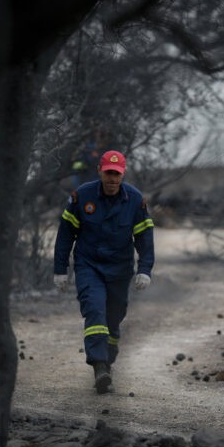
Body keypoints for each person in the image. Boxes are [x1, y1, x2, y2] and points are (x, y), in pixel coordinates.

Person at [53, 150, 155, 394]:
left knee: (114, 317)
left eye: (117, 174)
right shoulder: (82, 197)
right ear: (100, 170)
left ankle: (107, 361)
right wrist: (60, 269)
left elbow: (144, 237)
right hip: (88, 265)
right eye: (108, 173)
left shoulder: (135, 199)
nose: (112, 179)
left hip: (119, 269)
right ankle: (99, 366)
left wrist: (145, 269)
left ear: (123, 174)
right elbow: (66, 234)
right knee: (95, 310)